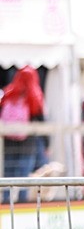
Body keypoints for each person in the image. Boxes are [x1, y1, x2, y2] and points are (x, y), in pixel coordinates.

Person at [0, 66, 44, 203]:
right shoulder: (34, 96)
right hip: (27, 144)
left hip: (8, 142)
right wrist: (47, 144)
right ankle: (22, 204)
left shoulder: (8, 93)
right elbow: (41, 120)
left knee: (8, 176)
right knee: (24, 176)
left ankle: (6, 204)